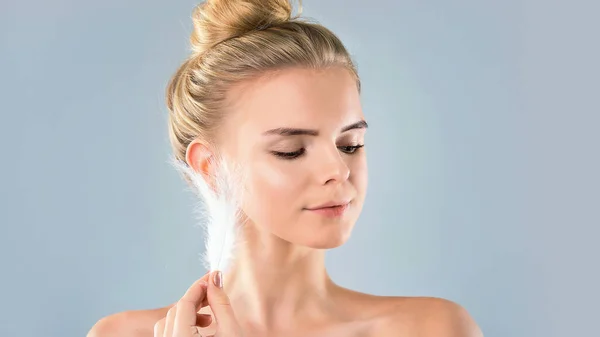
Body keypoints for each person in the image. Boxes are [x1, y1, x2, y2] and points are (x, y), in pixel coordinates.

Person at [88, 0, 483, 336]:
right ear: (209, 166)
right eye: (292, 150)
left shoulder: (430, 328)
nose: (338, 170)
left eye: (351, 144)